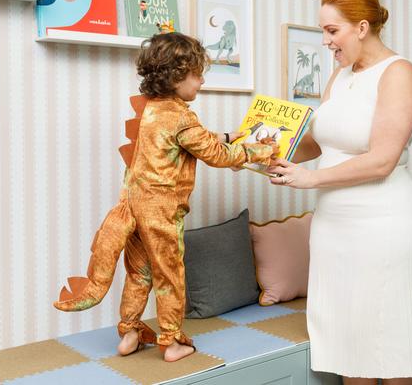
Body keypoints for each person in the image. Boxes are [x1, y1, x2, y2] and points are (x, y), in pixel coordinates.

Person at [53, 32, 278, 362]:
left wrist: (230, 136)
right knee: (169, 277)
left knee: (140, 274)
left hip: (131, 206)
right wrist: (262, 149)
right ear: (177, 76)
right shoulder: (183, 116)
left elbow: (191, 141)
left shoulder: (152, 111)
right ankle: (171, 341)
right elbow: (216, 155)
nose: (201, 81)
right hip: (160, 212)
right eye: (197, 74)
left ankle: (129, 332)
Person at [269, 0, 412, 384]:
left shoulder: (400, 73)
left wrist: (311, 179)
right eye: (323, 31)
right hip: (334, 227)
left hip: (385, 225)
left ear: (361, 27)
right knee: (349, 347)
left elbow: (381, 160)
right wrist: (258, 150)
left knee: (390, 346)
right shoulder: (339, 76)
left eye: (332, 31)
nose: (326, 41)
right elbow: (315, 142)